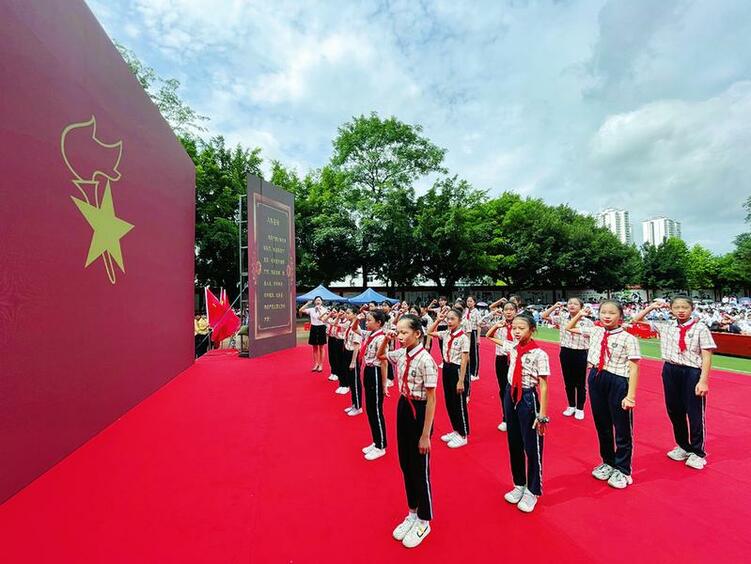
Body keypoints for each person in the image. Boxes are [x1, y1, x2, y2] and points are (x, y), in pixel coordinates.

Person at [631, 296, 716, 470]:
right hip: (670, 370)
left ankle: (698, 452)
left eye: (684, 307)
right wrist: (652, 307)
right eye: (676, 307)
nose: (681, 310)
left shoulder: (700, 328)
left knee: (694, 412)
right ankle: (683, 446)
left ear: (691, 308)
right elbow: (635, 320)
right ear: (671, 309)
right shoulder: (666, 326)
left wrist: (703, 380)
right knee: (674, 410)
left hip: (692, 371)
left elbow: (707, 356)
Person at [378, 314, 438, 549]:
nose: (400, 336)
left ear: (418, 334)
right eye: (398, 331)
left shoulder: (426, 360)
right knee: (405, 463)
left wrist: (425, 434)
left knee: (419, 466)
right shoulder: (401, 353)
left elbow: (432, 399)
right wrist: (387, 338)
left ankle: (424, 518)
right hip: (404, 405)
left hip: (420, 410)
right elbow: (380, 356)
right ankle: (412, 512)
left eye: (404, 332)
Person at [566, 300, 640, 490]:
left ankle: (623, 469)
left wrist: (630, 396)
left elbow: (633, 368)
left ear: (620, 317)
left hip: (618, 380)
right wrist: (581, 314)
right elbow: (569, 327)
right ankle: (608, 461)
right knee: (602, 424)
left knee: (621, 426)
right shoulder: (596, 331)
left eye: (612, 313)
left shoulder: (628, 338)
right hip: (597, 376)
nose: (607, 316)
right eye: (603, 312)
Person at [486, 312, 549, 513]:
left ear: (532, 330)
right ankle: (519, 484)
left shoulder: (539, 354)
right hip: (510, 394)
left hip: (528, 398)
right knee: (514, 442)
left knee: (532, 445)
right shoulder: (511, 346)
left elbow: (544, 386)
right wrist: (498, 325)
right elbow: (488, 336)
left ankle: (533, 490)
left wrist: (542, 415)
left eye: (521, 328)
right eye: (514, 328)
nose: (517, 331)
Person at [542, 298, 593, 420]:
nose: (572, 305)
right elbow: (544, 316)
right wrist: (554, 306)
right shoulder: (563, 317)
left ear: (581, 307)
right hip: (566, 352)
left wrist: (591, 358)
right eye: (570, 303)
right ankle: (571, 406)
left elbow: (592, 341)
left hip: (581, 352)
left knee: (580, 383)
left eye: (575, 304)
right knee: (568, 381)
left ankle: (580, 408)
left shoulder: (587, 322)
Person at [428, 308, 470, 449]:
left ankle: (463, 434)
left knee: (459, 402)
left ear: (460, 321)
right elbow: (429, 332)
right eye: (448, 319)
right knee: (449, 401)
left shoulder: (463, 338)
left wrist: (461, 380)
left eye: (453, 319)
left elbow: (464, 360)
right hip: (446, 368)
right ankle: (456, 430)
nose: (449, 321)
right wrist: (438, 320)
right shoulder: (445, 334)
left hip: (457, 370)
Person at [354, 309, 388, 459]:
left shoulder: (381, 338)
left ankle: (381, 445)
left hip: (375, 372)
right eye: (366, 320)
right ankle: (376, 441)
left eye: (369, 320)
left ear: (379, 323)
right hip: (367, 371)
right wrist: (357, 318)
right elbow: (355, 328)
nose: (366, 322)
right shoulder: (370, 334)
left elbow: (384, 363)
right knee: (370, 409)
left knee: (375, 410)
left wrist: (384, 384)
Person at [485, 302, 519, 432]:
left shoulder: (520, 325)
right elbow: (481, 324)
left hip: (517, 358)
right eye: (506, 310)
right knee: (504, 389)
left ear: (516, 311)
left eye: (511, 309)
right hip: (502, 359)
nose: (509, 312)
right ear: (502, 311)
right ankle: (506, 417)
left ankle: (520, 415)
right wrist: (495, 322)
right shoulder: (498, 323)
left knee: (517, 388)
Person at [341, 306, 361, 414]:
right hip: (347, 352)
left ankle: (358, 406)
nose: (346, 314)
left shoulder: (356, 327)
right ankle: (353, 404)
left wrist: (353, 361)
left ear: (354, 314)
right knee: (351, 381)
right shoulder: (349, 325)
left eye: (348, 313)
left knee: (355, 381)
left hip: (353, 354)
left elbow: (357, 346)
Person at [299, 297, 328, 372]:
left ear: (322, 302)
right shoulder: (311, 309)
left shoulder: (325, 309)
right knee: (314, 347)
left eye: (319, 300)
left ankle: (321, 365)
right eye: (316, 300)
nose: (318, 301)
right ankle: (316, 364)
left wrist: (319, 310)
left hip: (321, 327)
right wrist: (308, 303)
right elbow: (300, 310)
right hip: (314, 328)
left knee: (321, 347)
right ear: (314, 302)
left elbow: (324, 318)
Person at [462, 295, 482, 383]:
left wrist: (478, 337)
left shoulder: (476, 312)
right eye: (468, 301)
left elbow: (479, 325)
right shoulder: (465, 311)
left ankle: (475, 373)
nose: (469, 303)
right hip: (465, 332)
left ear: (474, 302)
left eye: (471, 301)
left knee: (474, 353)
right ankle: (468, 370)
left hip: (473, 332)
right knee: (466, 351)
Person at [321, 308, 341, 383]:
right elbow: (322, 319)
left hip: (337, 339)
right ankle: (333, 372)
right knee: (331, 356)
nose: (333, 313)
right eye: (333, 312)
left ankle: (337, 373)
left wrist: (338, 316)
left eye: (335, 312)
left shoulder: (339, 320)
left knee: (336, 356)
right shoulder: (330, 319)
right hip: (331, 338)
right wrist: (329, 314)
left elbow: (334, 323)